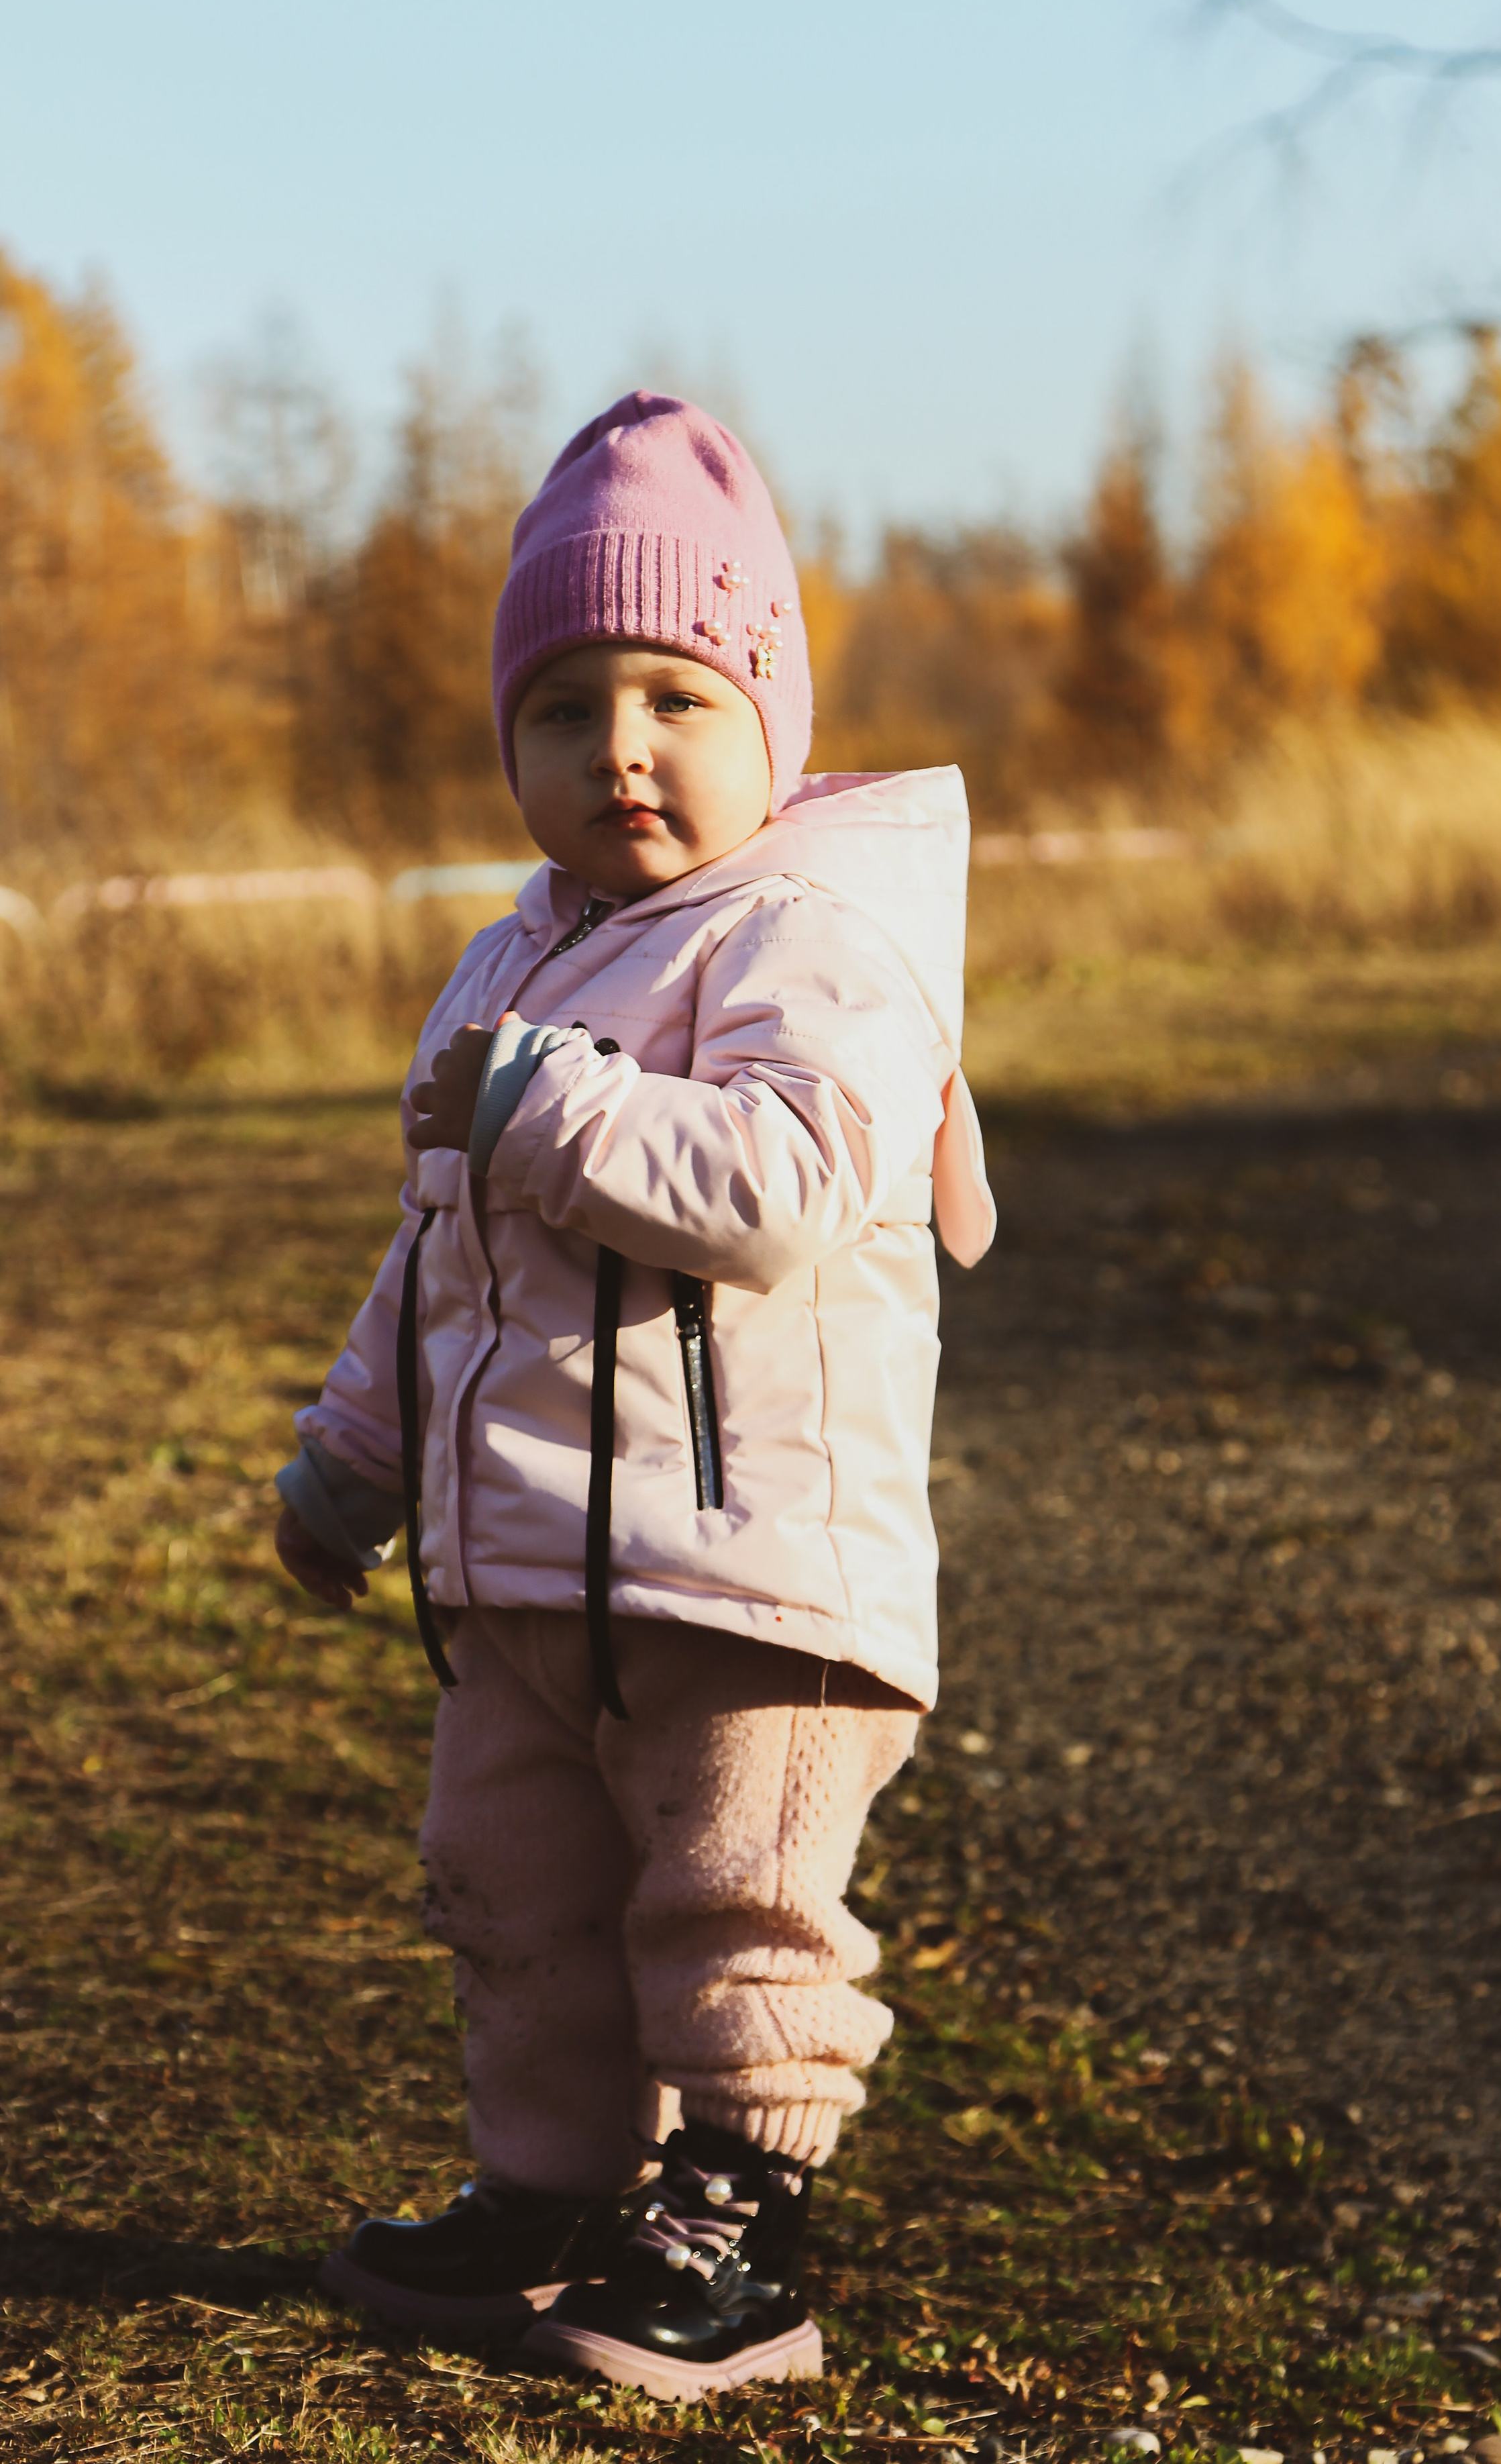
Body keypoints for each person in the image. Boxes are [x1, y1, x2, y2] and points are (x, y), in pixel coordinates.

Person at [271, 392, 996, 2401]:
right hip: (526, 1578)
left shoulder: (817, 939)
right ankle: (549, 2190)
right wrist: (352, 1459)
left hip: (752, 1578)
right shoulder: (510, 956)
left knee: (735, 1900)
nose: (622, 748)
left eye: (677, 694)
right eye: (566, 704)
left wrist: (536, 1101)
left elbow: (775, 1191)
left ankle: (743, 2227)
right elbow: (435, 1253)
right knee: (517, 1897)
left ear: (770, 709)